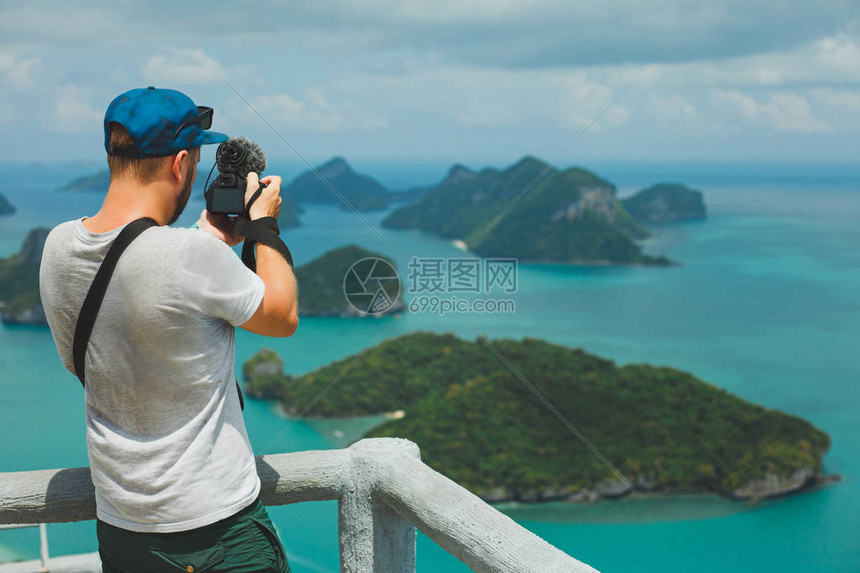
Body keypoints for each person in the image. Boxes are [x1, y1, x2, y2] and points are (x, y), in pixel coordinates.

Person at [39, 86, 298, 572]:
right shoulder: (187, 256)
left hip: (122, 532)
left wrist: (212, 241)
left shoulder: (56, 247)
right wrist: (263, 227)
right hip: (217, 534)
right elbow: (282, 316)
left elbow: (102, 345)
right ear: (181, 164)